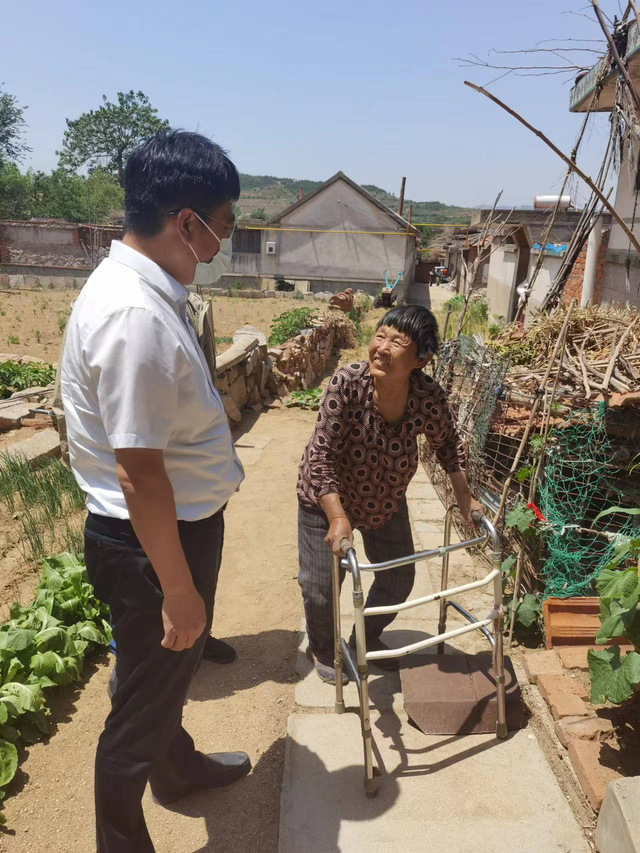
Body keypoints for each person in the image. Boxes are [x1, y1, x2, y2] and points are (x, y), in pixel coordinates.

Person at [60, 129, 250, 853]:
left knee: (164, 679)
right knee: (137, 708)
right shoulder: (134, 315)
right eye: (222, 228)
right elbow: (139, 473)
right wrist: (177, 588)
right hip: (150, 545)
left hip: (166, 533)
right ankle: (122, 839)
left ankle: (176, 769)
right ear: (186, 224)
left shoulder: (144, 289)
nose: (220, 245)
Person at [297, 304, 483, 684]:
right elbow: (321, 454)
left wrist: (465, 498)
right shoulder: (348, 383)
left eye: (397, 342)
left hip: (385, 497)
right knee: (320, 588)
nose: (382, 347)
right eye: (380, 335)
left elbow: (447, 445)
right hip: (327, 497)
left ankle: (365, 636)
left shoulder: (428, 395)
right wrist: (336, 516)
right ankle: (324, 649)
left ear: (421, 358)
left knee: (398, 581)